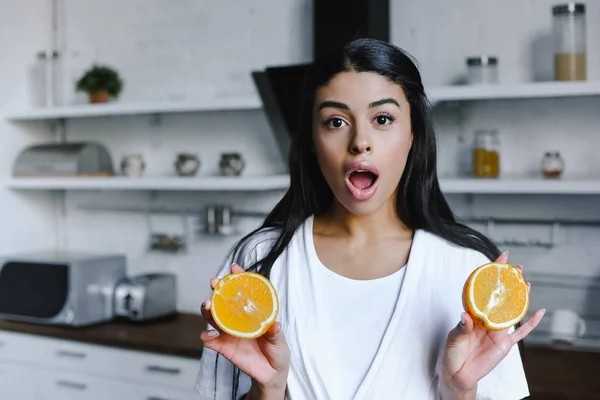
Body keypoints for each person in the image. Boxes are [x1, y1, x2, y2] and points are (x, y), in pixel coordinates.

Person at [195, 38, 545, 400]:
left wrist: (460, 392)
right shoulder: (256, 266)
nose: (360, 141)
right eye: (335, 121)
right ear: (313, 141)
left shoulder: (469, 272)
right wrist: (267, 391)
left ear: (413, 135)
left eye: (382, 119)